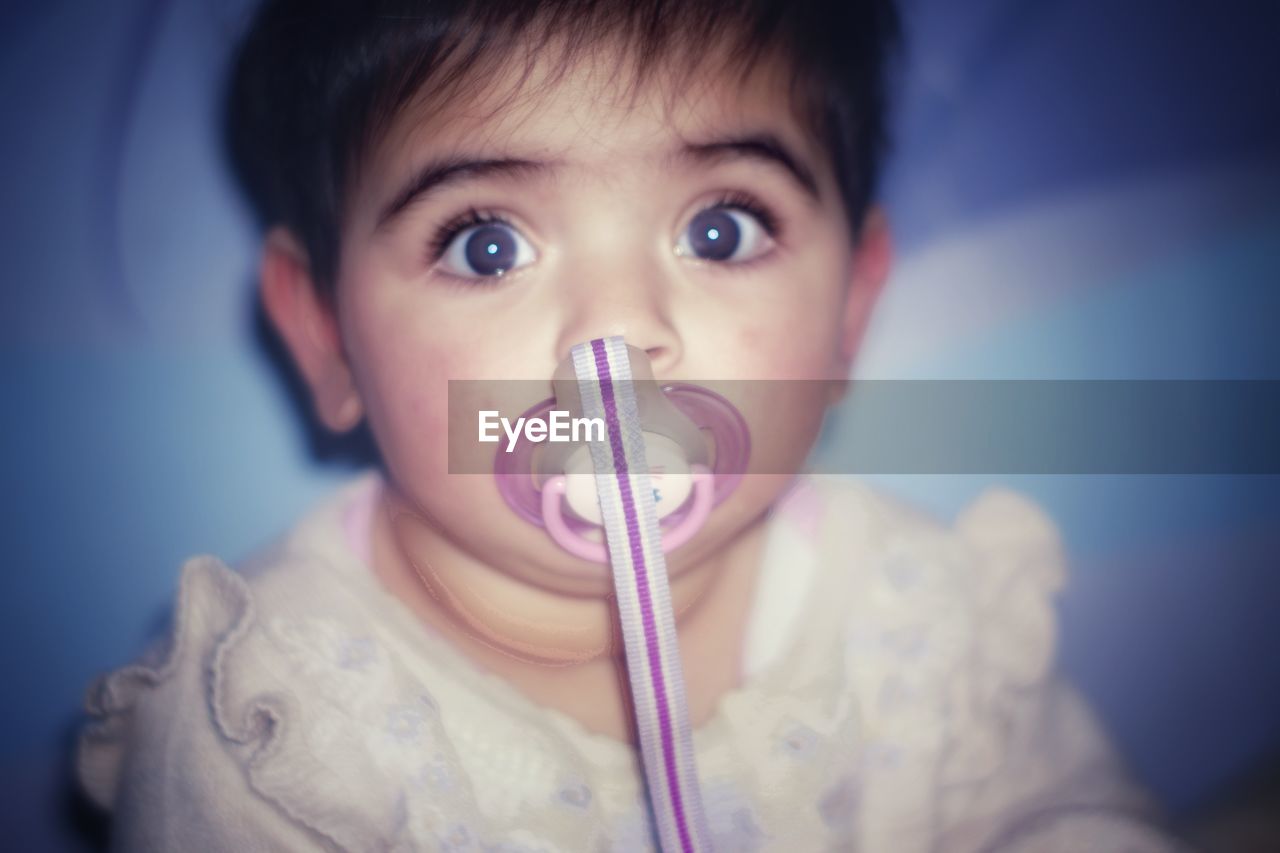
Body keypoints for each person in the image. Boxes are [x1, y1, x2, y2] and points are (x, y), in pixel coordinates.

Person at [76, 0, 1187, 849]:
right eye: (486, 246)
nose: (615, 334)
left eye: (719, 230)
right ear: (326, 337)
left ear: (849, 309)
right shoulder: (271, 722)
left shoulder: (916, 617)